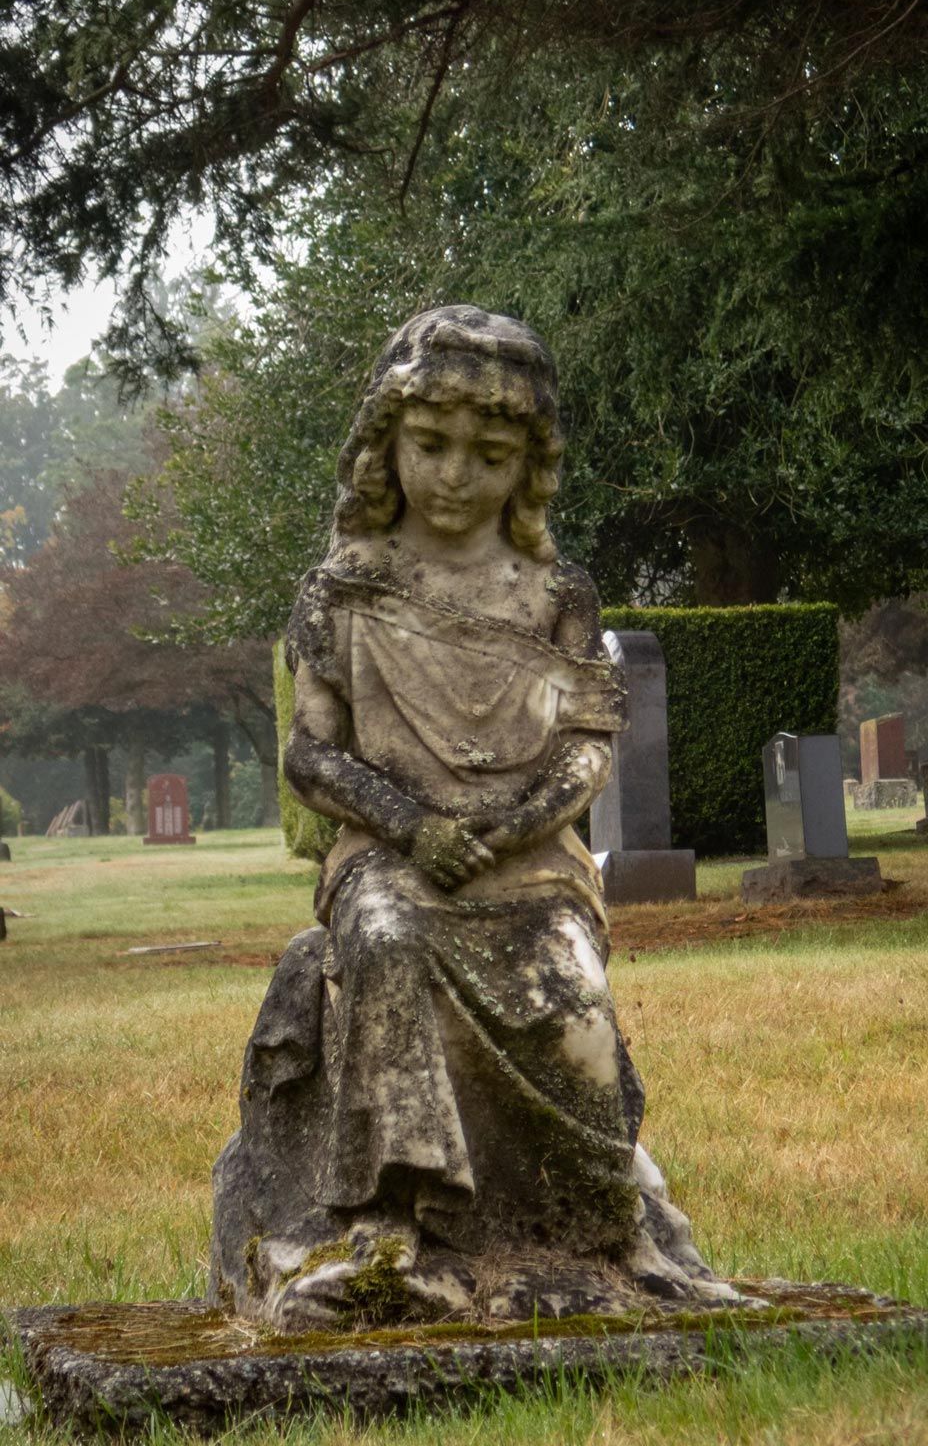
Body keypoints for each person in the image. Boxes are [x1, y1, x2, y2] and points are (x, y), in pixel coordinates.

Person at [211, 306, 728, 1328]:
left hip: (532, 863)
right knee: (385, 943)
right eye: (430, 446)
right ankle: (395, 1229)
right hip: (389, 857)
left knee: (572, 993)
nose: (454, 476)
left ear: (527, 466)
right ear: (384, 446)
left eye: (488, 456)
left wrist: (518, 821)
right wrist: (411, 828)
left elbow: (586, 745)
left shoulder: (556, 593)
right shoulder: (343, 590)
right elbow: (311, 752)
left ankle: (604, 1223)